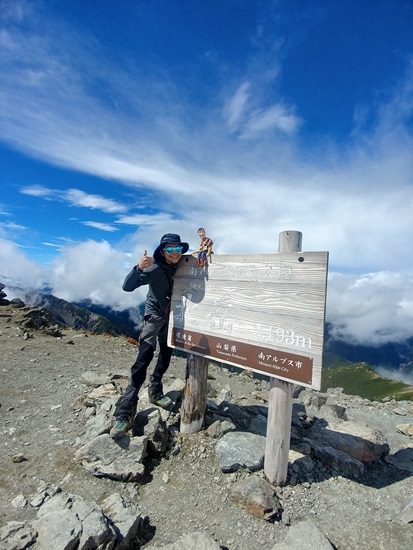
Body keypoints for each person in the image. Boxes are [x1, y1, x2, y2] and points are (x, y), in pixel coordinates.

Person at [110, 233, 189, 439]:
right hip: (154, 318)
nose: (175, 253)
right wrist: (138, 268)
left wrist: (207, 248)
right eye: (170, 249)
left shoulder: (182, 266)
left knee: (165, 356)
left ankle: (155, 391)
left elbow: (201, 261)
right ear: (162, 251)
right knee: (142, 360)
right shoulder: (155, 268)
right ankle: (125, 411)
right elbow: (127, 287)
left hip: (172, 319)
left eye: (178, 249)